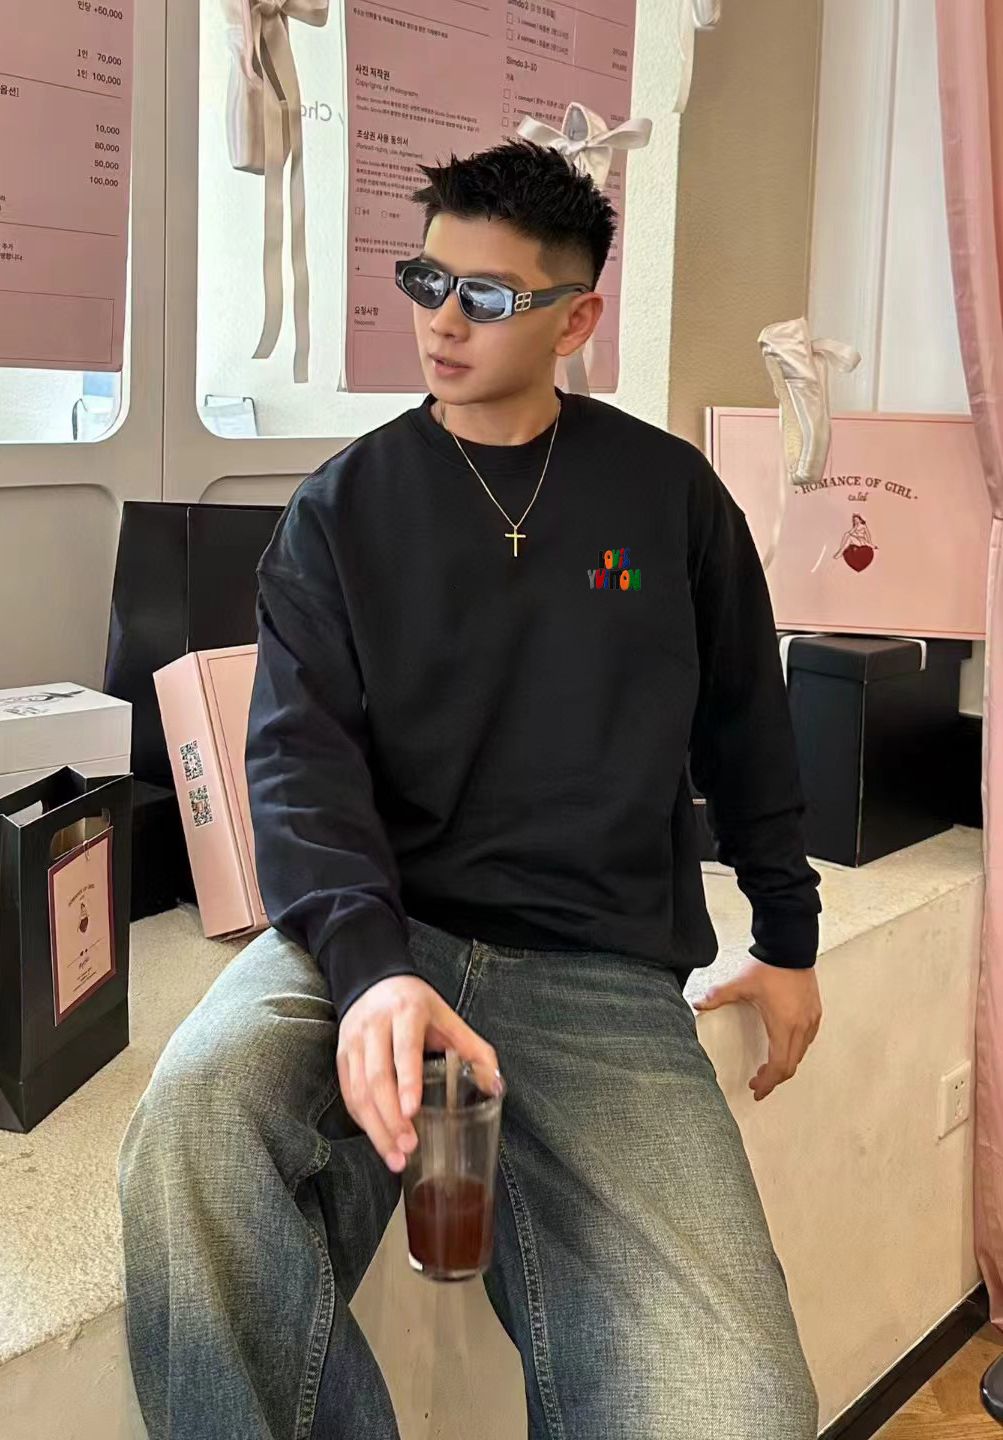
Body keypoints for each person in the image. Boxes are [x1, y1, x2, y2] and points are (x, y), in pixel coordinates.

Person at [118, 141, 823, 1439]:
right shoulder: (341, 511)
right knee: (198, 1120)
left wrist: (787, 935)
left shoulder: (666, 497)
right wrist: (370, 966)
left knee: (739, 1410)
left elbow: (747, 723)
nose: (442, 320)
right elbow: (301, 768)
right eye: (426, 280)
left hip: (598, 974)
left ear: (576, 319)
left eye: (487, 296)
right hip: (378, 934)